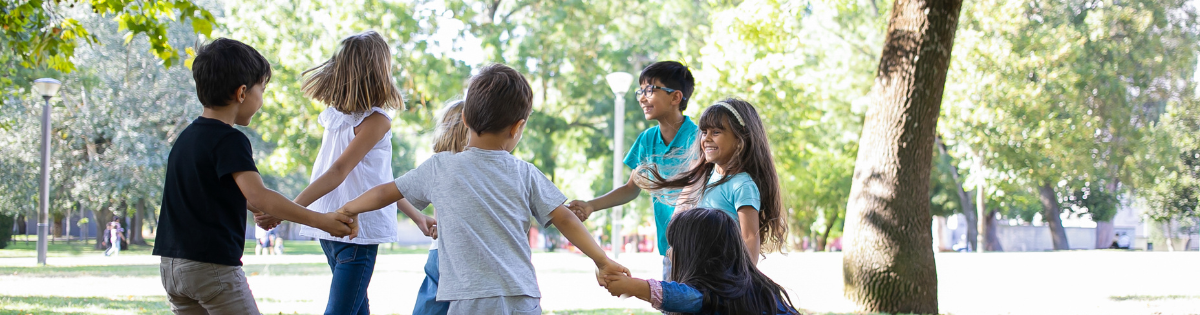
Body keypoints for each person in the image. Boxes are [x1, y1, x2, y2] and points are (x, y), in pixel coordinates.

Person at [335, 64, 629, 315]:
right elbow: (565, 218)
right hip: (522, 297)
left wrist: (349, 209)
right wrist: (602, 260)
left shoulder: (440, 167)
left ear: (464, 119)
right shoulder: (525, 172)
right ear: (517, 128)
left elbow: (386, 192)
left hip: (469, 299)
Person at [153, 38, 355, 315]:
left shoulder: (186, 138)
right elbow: (259, 194)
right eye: (263, 88)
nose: (262, 98)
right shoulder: (230, 140)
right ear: (242, 93)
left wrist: (262, 210)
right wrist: (322, 221)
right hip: (212, 267)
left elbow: (217, 190)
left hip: (172, 267)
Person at [251, 30, 434, 315]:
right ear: (379, 72)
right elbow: (337, 171)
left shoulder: (344, 118)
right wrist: (286, 210)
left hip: (335, 226)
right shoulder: (371, 121)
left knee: (355, 308)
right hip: (353, 230)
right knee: (345, 309)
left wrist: (417, 216)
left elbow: (381, 180)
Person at [567, 61, 698, 278]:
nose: (642, 97)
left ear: (676, 97)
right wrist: (591, 206)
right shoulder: (647, 140)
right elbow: (631, 188)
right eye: (641, 91)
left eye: (650, 90)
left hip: (701, 246)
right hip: (669, 249)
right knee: (673, 309)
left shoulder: (700, 139)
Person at [635, 98, 787, 265]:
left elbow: (750, 238)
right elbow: (680, 215)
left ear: (739, 139)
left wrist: (743, 283)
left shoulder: (742, 185)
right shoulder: (705, 177)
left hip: (722, 280)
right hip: (696, 273)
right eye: (704, 132)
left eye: (716, 132)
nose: (706, 138)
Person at [602, 208, 800, 315]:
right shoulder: (751, 286)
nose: (669, 253)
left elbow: (676, 296)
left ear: (696, 255)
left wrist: (631, 286)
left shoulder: (711, 294)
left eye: (674, 246)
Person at [412, 99, 468, 315]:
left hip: (438, 252)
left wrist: (434, 223)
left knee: (430, 306)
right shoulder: (472, 167)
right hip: (461, 252)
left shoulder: (438, 164)